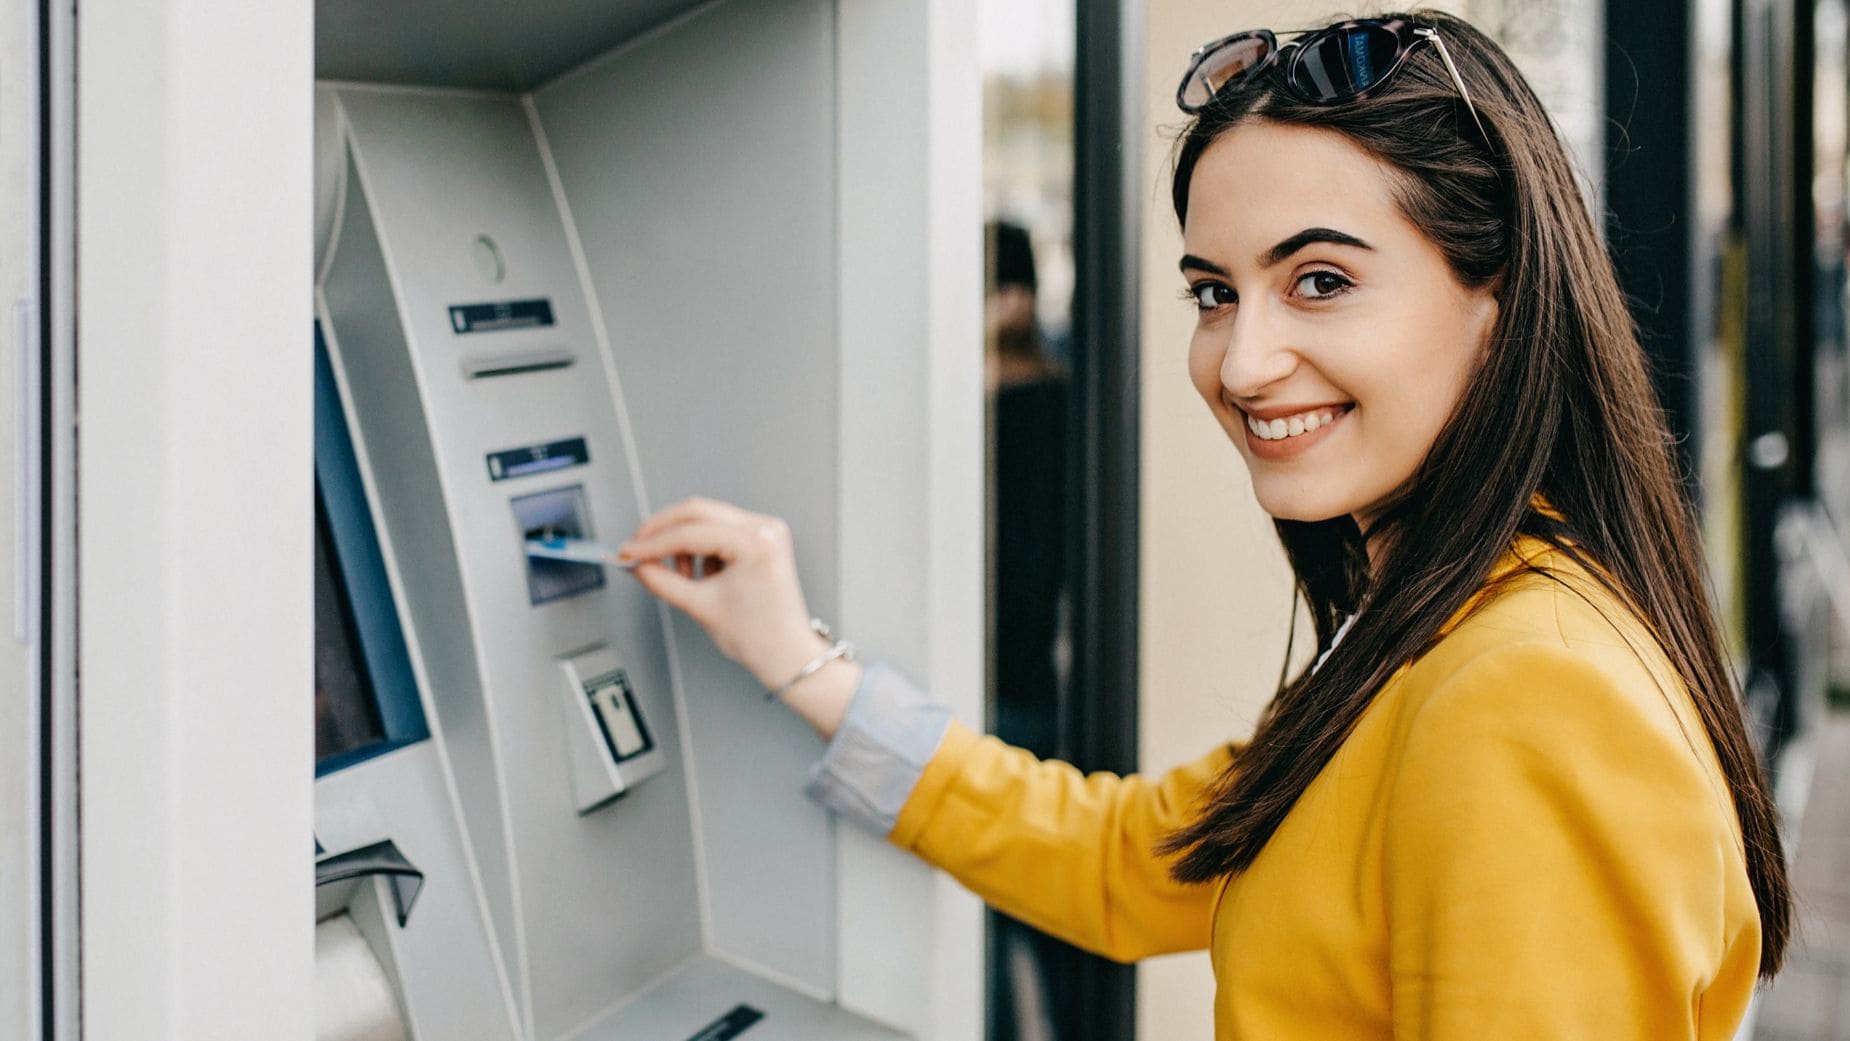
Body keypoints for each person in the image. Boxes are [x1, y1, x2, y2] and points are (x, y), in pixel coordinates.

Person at [615, 11, 1790, 1038]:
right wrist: (796, 661)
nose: (1241, 360)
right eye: (1213, 292)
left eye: (1319, 280)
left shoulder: (1525, 697)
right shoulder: (1445, 619)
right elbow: (1126, 865)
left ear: (1500, 303)